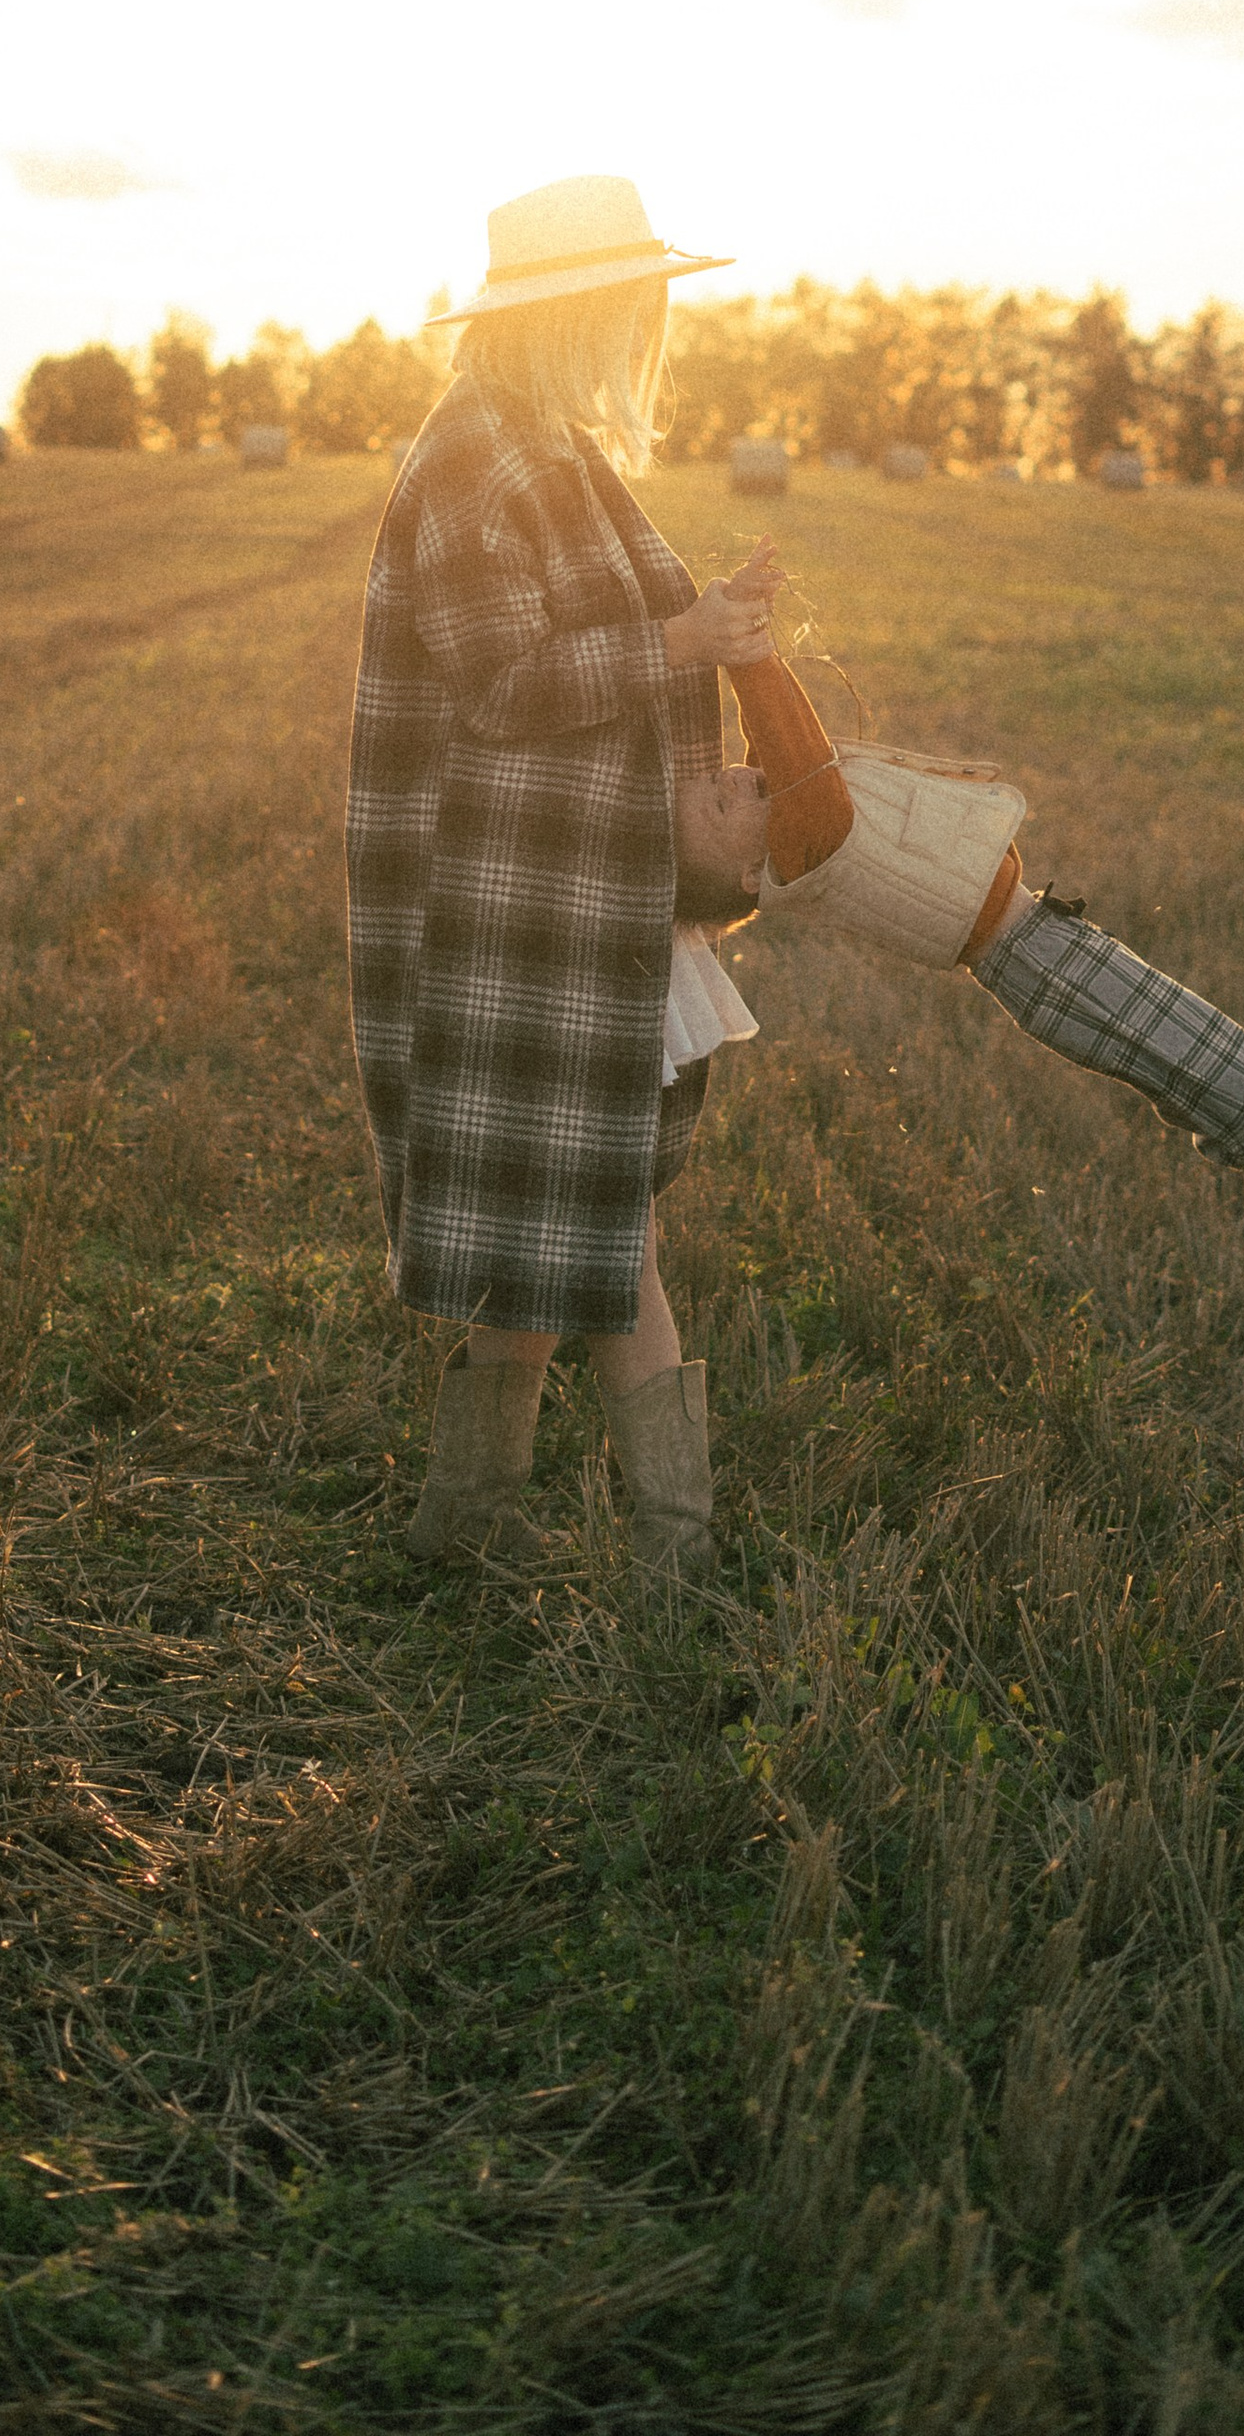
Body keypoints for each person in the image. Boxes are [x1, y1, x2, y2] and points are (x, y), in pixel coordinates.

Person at [345, 174, 776, 1583]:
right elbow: (504, 683)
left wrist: (714, 626)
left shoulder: (545, 446)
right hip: (519, 912)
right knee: (605, 1238)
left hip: (576, 904)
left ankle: (462, 1530)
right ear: (576, 311)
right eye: (633, 304)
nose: (646, 328)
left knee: (557, 1241)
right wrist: (684, 640)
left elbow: (601, 642)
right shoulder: (477, 455)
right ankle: (675, 1553)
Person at [673, 596, 1244, 1234]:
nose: (734, 779)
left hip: (1038, 938)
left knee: (1181, 1049)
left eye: (718, 778)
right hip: (1032, 958)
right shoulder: (807, 841)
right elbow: (792, 751)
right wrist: (748, 652)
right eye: (718, 803)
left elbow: (776, 750)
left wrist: (745, 616)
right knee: (1194, 1048)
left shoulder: (793, 827)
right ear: (749, 875)